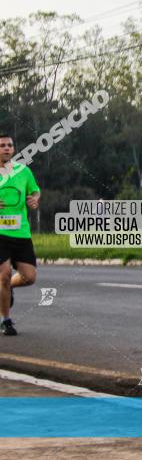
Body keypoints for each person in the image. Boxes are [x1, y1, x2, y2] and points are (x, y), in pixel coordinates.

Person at [0, 134, 41, 336]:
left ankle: (6, 289)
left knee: (29, 277)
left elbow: (35, 191)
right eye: (2, 146)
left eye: (9, 145)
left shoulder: (23, 171)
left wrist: (34, 200)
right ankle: (5, 321)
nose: (6, 148)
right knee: (4, 275)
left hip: (21, 232)